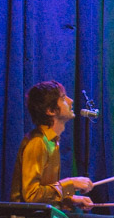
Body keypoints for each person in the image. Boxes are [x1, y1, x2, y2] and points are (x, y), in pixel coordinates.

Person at [11, 80, 93, 209]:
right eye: (63, 98)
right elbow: (32, 196)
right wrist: (69, 184)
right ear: (50, 110)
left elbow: (45, 194)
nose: (70, 101)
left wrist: (70, 199)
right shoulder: (37, 142)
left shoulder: (51, 141)